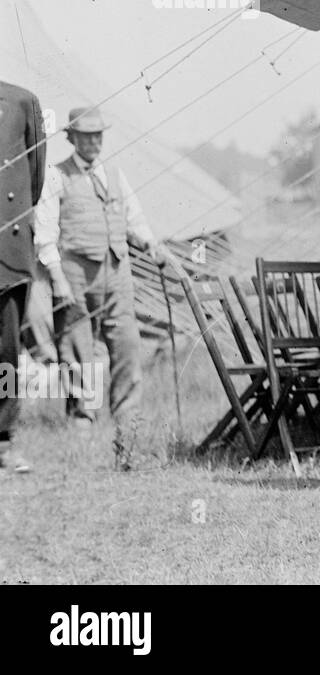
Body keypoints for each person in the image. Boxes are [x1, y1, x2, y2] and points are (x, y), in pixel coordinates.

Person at [32, 108, 171, 467]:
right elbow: (45, 233)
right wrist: (58, 278)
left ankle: (128, 428)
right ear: (72, 138)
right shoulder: (56, 176)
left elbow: (134, 219)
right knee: (78, 350)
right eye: (86, 136)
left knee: (126, 346)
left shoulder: (114, 175)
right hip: (76, 274)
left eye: (98, 136)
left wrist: (151, 244)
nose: (93, 142)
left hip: (117, 272)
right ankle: (82, 424)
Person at [0, 80, 46, 474]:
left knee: (7, 353)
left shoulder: (20, 101)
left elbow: (35, 178)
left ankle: (4, 442)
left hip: (8, 253)